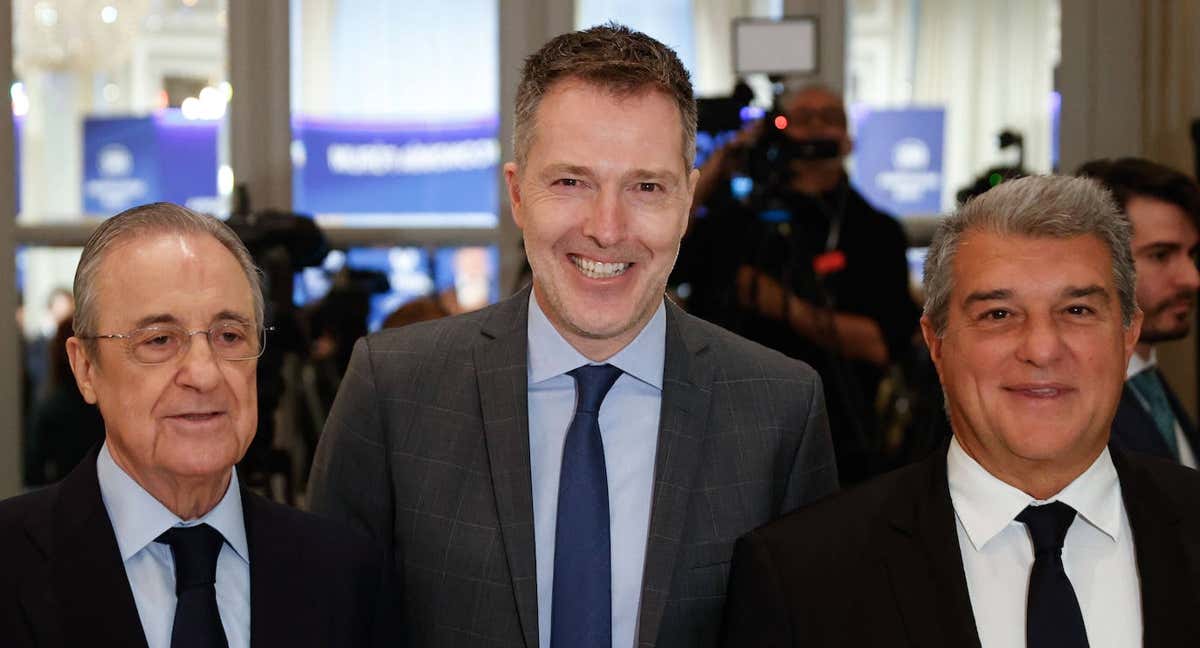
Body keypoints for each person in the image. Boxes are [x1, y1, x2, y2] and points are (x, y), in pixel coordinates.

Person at [309, 23, 837, 648]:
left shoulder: (781, 408)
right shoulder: (393, 389)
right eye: (570, 182)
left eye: (646, 187)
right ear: (517, 194)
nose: (606, 229)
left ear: (688, 199)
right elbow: (329, 627)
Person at [721, 176, 1200, 647]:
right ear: (936, 343)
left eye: (1076, 310)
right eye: (998, 315)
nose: (1042, 349)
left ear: (1128, 335)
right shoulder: (803, 577)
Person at [0, 203, 397, 647]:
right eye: (159, 340)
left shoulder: (344, 574)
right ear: (85, 368)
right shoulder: (13, 565)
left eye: (230, 335)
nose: (205, 374)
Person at [683, 84, 919, 484]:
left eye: (829, 118)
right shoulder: (738, 223)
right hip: (729, 431)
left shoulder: (876, 232)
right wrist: (719, 167)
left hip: (838, 435)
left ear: (847, 140)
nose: (814, 130)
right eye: (802, 119)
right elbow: (665, 250)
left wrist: (787, 308)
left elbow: (880, 344)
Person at [1078, 157, 1200, 466]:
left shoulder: (1150, 382)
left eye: (1192, 254)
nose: (1192, 278)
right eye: (1161, 255)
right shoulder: (1070, 403)